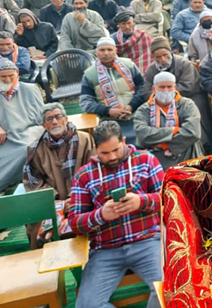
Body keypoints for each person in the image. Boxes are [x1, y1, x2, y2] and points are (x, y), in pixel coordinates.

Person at [67, 120, 164, 308]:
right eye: (104, 153)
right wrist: (100, 215)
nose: (112, 156)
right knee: (87, 306)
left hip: (147, 240)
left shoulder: (146, 160)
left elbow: (168, 200)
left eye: (116, 150)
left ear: (124, 141)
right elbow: (75, 223)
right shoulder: (84, 175)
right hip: (105, 249)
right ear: (95, 149)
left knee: (168, 289)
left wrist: (141, 201)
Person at [23, 102, 95, 247]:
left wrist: (75, 199)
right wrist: (58, 202)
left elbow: (93, 173)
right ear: (43, 125)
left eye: (58, 117)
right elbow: (33, 181)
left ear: (66, 119)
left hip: (82, 197)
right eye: (49, 119)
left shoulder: (85, 139)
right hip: (51, 203)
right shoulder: (35, 149)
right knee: (34, 224)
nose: (55, 122)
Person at [0, 59, 46, 197]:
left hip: (27, 131)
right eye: (3, 76)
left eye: (11, 76)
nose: (7, 79)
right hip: (0, 136)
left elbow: (41, 117)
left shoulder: (31, 88)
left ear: (17, 73)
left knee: (25, 149)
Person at [142, 38, 212, 155]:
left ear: (171, 52)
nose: (162, 60)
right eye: (158, 57)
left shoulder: (184, 63)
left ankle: (204, 149)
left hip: (190, 97)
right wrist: (163, 97)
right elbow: (146, 92)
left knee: (197, 115)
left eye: (165, 55)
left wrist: (166, 93)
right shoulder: (151, 70)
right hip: (160, 101)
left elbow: (189, 86)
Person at [80, 37, 145, 143]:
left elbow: (143, 87)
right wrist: (108, 111)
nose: (106, 53)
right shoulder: (90, 74)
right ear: (96, 52)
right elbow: (85, 102)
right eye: (102, 50)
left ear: (116, 51)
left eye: (110, 50)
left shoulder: (129, 65)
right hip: (109, 121)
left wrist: (131, 106)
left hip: (136, 115)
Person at [134, 72, 204, 170]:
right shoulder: (144, 110)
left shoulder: (187, 105)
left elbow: (193, 132)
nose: (166, 90)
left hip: (186, 155)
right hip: (155, 160)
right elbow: (143, 134)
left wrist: (164, 145)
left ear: (175, 87)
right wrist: (173, 131)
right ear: (154, 88)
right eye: (162, 87)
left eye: (169, 87)